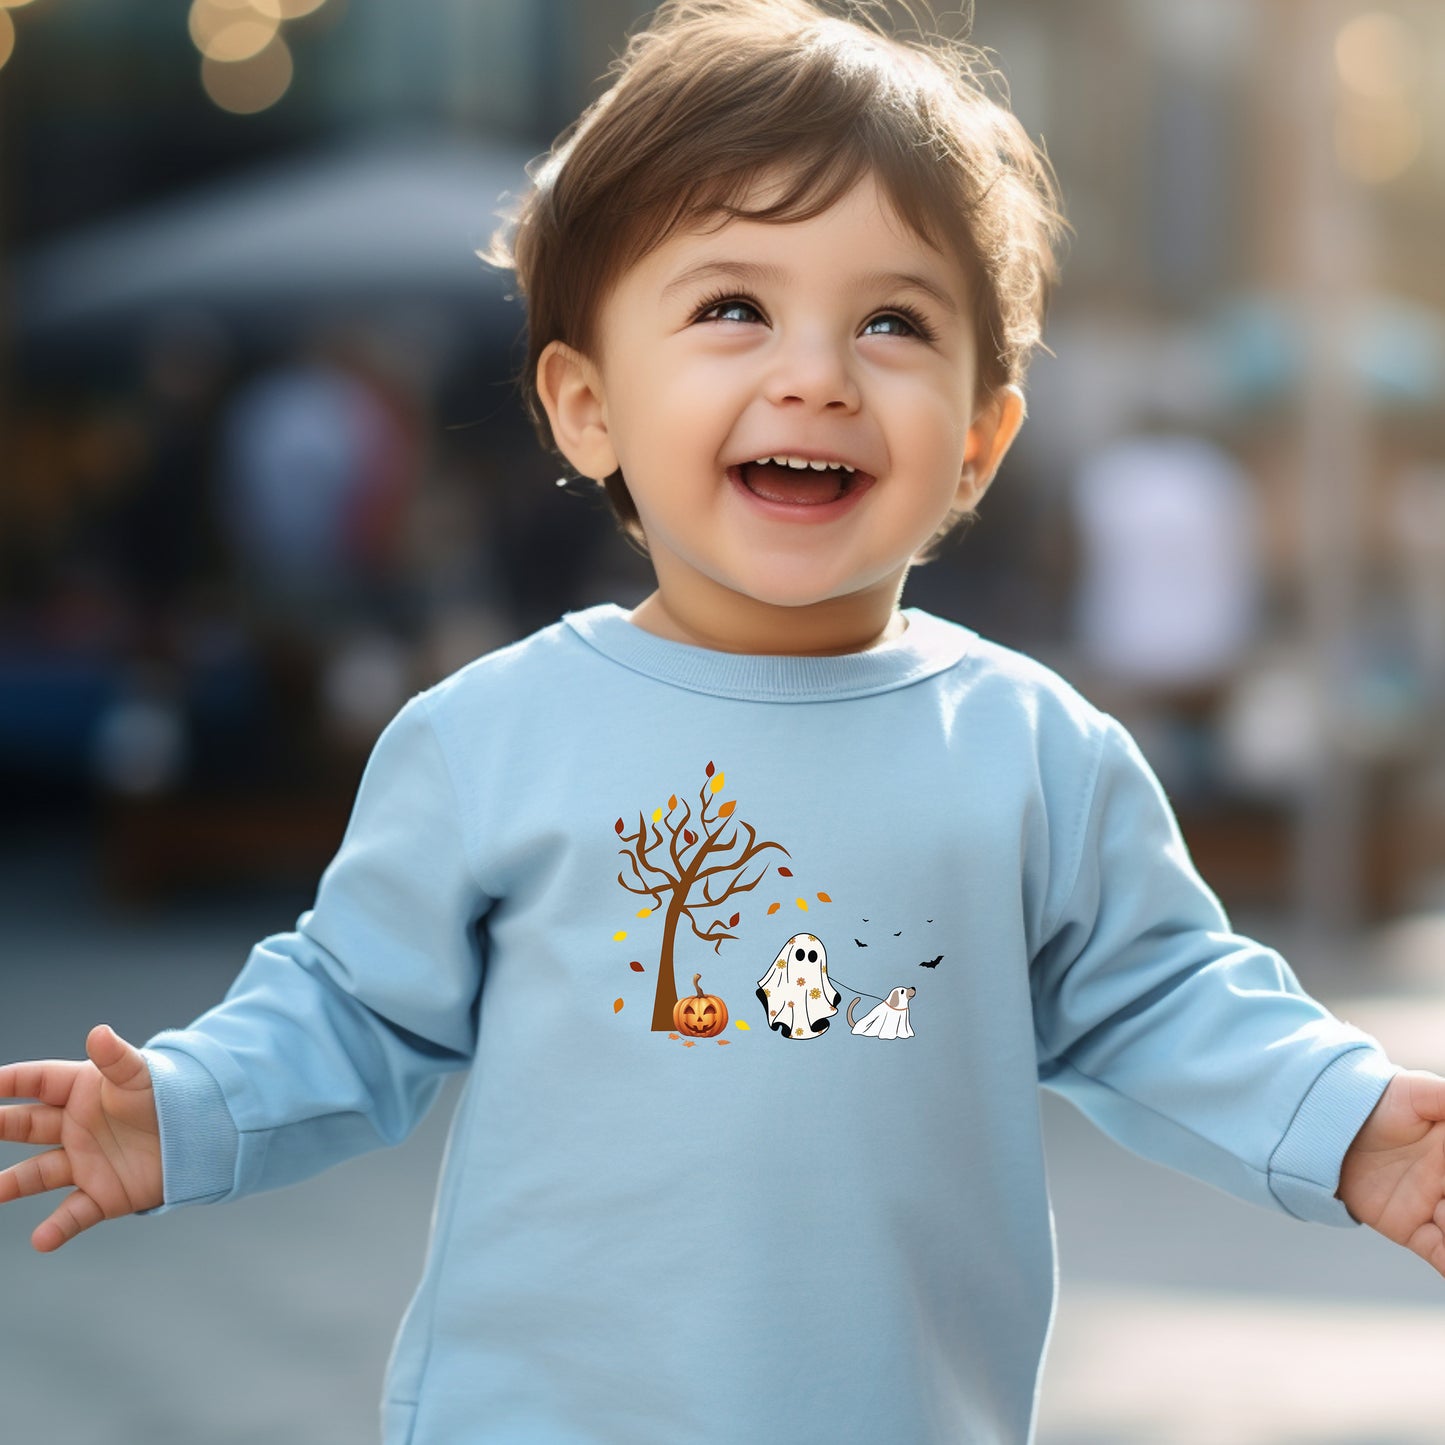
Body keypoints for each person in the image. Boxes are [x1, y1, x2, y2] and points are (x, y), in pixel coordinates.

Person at [3, 4, 1443, 1441]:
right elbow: (350, 1000)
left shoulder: (1032, 752)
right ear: (586, 406)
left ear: (979, 438)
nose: (814, 372)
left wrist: (1346, 1120)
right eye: (730, 307)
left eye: (892, 320)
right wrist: (186, 1105)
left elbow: (1162, 995)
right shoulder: (492, 735)